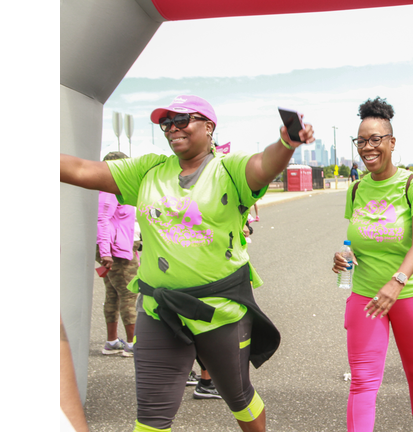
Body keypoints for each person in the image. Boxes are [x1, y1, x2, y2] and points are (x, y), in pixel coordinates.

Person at [60, 94, 314, 432]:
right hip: (158, 310)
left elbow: (263, 165)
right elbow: (81, 169)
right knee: (151, 416)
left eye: (182, 120)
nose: (172, 129)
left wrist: (286, 143)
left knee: (238, 396)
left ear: (209, 126)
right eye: (166, 123)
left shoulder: (228, 168)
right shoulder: (147, 170)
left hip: (219, 310)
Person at [332, 97, 413, 432]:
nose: (368, 147)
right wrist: (343, 255)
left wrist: (397, 281)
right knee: (362, 382)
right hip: (365, 296)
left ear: (392, 142)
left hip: (410, 295)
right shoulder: (355, 190)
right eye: (361, 141)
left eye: (375, 139)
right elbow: (357, 239)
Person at [96, 151, 140, 358]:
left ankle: (112, 341)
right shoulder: (108, 191)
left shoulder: (114, 189)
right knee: (129, 294)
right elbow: (102, 221)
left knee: (113, 293)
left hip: (115, 250)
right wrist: (106, 253)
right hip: (116, 252)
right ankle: (132, 344)